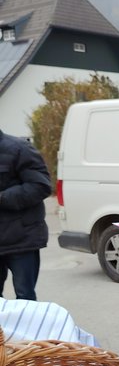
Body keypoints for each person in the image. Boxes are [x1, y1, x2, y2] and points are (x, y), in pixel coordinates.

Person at [0, 128, 52, 301]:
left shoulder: (20, 149)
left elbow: (41, 186)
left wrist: (2, 198)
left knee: (25, 300)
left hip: (22, 240)